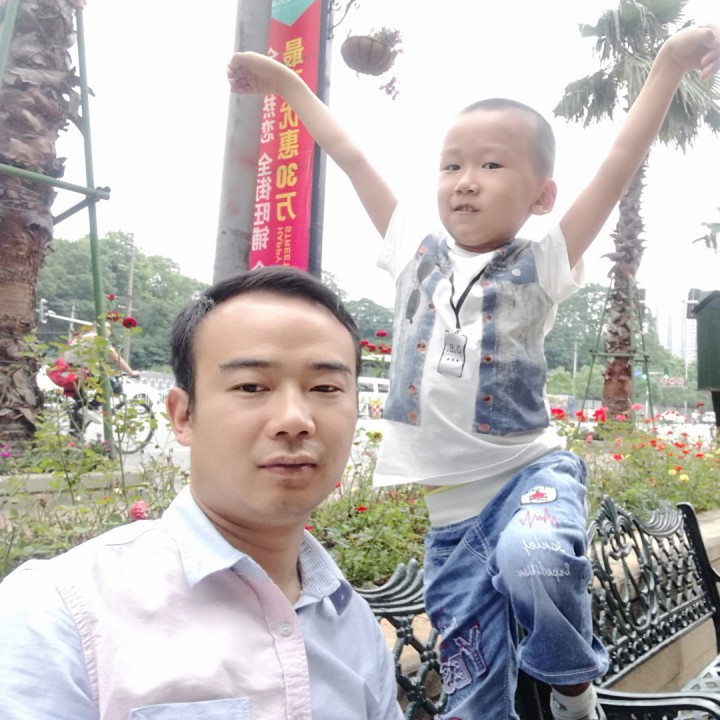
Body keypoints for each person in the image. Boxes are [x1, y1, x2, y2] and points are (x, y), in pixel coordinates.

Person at [227, 24, 720, 720]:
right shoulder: (412, 247)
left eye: (491, 165)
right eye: (451, 165)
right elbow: (351, 154)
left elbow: (618, 161)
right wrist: (286, 84)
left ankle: (573, 690)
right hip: (451, 521)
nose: (465, 181)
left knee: (535, 555)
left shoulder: (542, 262)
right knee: (470, 696)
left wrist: (667, 62)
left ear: (541, 196)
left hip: (530, 479)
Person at [0, 266, 403, 720]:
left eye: (325, 388)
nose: (294, 419)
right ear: (183, 415)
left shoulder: (353, 624)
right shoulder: (58, 615)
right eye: (251, 386)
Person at [47, 323, 141, 431]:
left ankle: (75, 432)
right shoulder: (98, 338)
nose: (110, 332)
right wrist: (131, 372)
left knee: (81, 404)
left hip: (65, 374)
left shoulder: (80, 338)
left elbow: (80, 359)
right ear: (101, 329)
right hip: (79, 375)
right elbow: (115, 358)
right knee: (111, 384)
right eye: (108, 329)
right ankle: (92, 408)